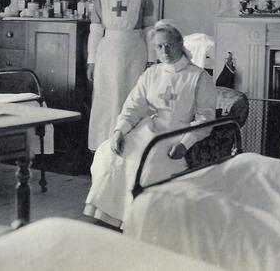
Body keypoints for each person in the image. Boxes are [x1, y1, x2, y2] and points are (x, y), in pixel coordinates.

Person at [83, 19, 216, 229]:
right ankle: (110, 217)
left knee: (148, 163)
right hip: (147, 129)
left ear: (180, 44)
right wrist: (119, 131)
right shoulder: (151, 73)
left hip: (175, 134)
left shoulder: (199, 77)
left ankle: (139, 222)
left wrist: (185, 143)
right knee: (107, 153)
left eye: (169, 45)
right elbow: (133, 106)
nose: (164, 50)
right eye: (159, 46)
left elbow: (205, 118)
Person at [87, 0, 156, 151]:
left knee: (130, 97)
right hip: (106, 54)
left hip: (134, 53)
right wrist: (92, 60)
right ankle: (103, 146)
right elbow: (96, 31)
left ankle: (132, 146)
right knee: (106, 98)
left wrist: (151, 60)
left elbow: (149, 30)